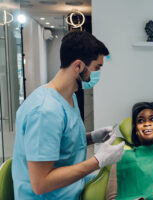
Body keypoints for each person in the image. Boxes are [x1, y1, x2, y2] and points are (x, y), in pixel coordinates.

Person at [12, 31, 125, 200]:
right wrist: (97, 160)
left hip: (70, 189)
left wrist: (92, 137)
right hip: (50, 195)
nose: (98, 73)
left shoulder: (69, 96)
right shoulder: (45, 111)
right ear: (78, 66)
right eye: (97, 67)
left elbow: (60, 144)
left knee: (124, 178)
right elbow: (40, 184)